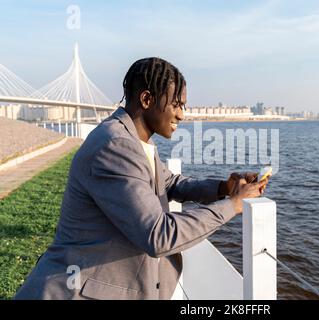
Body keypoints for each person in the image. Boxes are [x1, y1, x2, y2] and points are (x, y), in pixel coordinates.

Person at [14, 57, 269, 300]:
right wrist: (233, 205)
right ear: (147, 99)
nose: (182, 115)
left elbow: (169, 183)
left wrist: (224, 188)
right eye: (177, 105)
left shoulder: (133, 140)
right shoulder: (115, 145)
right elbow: (159, 235)